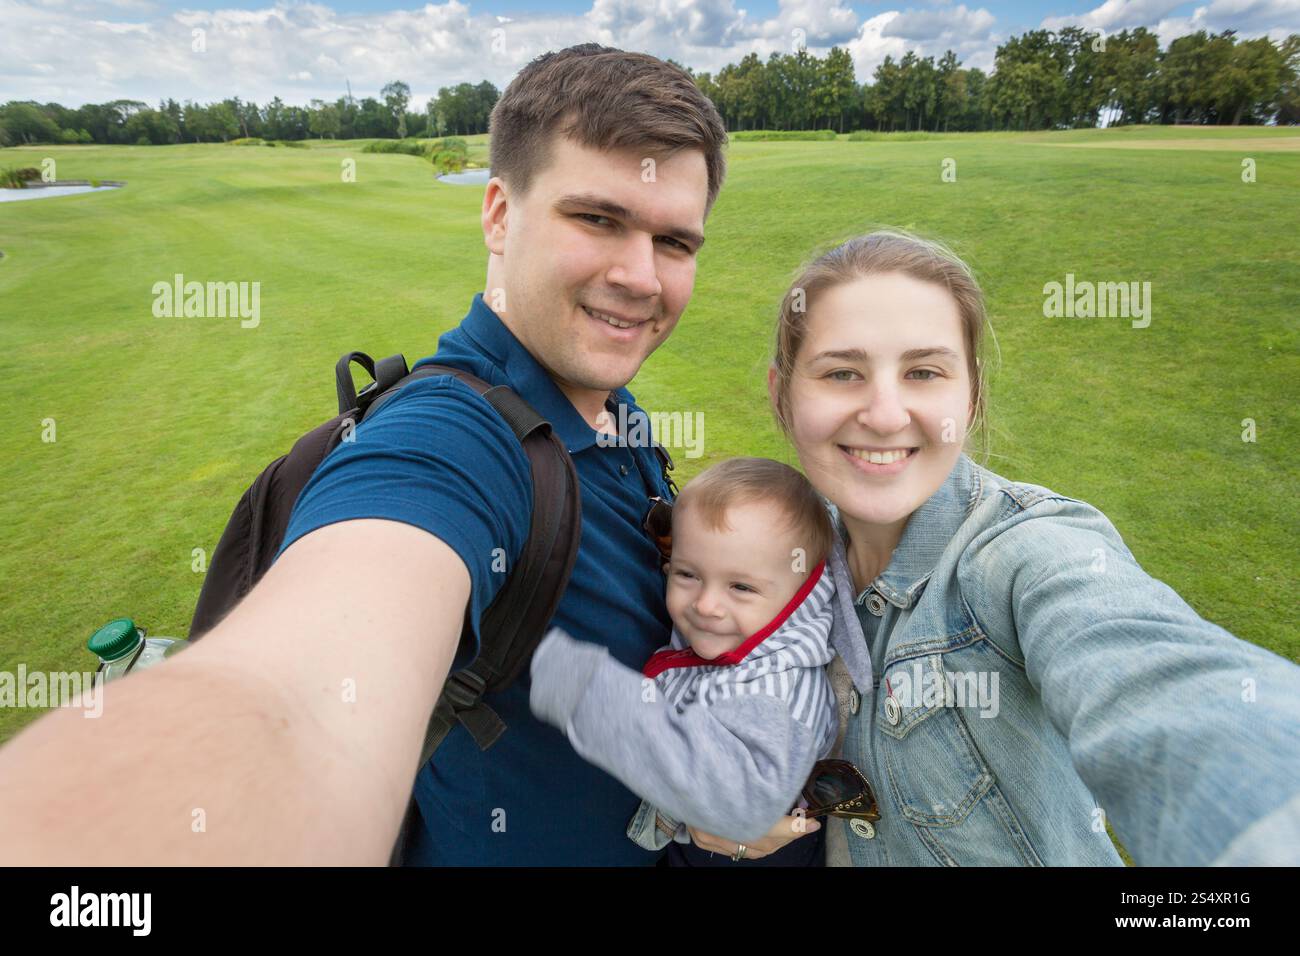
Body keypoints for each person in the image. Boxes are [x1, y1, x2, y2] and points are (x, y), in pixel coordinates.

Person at [0, 44, 727, 865]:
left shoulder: (604, 403)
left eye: (675, 242)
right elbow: (293, 699)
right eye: (598, 219)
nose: (641, 277)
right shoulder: (451, 440)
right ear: (498, 213)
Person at [682, 229, 1300, 865]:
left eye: (924, 372)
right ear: (781, 394)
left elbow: (1156, 679)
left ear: (971, 396)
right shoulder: (783, 553)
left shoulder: (1027, 552)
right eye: (842, 373)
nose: (886, 413)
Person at [529, 457, 839, 866]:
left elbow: (736, 797)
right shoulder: (746, 631)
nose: (706, 605)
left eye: (741, 586)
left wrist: (588, 690)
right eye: (688, 575)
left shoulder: (775, 690)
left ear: (802, 593)